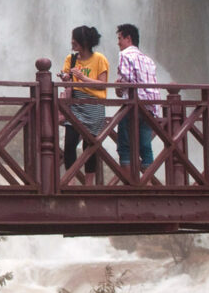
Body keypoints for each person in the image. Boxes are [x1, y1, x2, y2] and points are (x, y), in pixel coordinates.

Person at [61, 25, 109, 185]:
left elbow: (102, 85)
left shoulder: (100, 59)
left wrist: (83, 78)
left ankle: (89, 184)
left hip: (93, 105)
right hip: (75, 104)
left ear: (85, 42)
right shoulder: (71, 59)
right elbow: (66, 76)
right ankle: (71, 180)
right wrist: (65, 77)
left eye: (75, 39)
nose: (72, 41)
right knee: (69, 144)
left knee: (90, 146)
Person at [115, 23, 161, 173]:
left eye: (120, 38)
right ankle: (146, 184)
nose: (118, 43)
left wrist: (118, 86)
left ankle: (130, 184)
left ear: (128, 38)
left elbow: (127, 80)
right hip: (149, 107)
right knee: (146, 148)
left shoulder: (125, 55)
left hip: (132, 107)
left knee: (125, 146)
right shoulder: (148, 60)